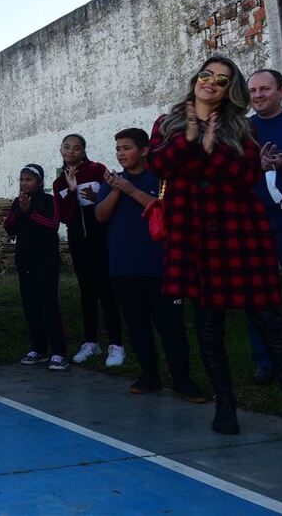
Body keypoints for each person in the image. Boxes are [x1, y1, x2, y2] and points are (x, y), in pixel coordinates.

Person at [148, 55, 282, 434]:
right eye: (206, 75)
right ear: (196, 79)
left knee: (269, 320)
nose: (211, 82)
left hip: (241, 232)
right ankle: (225, 407)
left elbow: (246, 176)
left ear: (229, 90)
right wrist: (191, 140)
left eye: (222, 80)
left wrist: (213, 148)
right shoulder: (169, 123)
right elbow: (159, 167)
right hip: (193, 236)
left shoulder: (241, 125)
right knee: (209, 326)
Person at [95, 128, 205, 402]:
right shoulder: (113, 182)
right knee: (136, 326)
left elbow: (165, 211)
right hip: (124, 267)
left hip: (161, 266)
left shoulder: (159, 178)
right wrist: (118, 190)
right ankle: (149, 375)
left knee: (171, 328)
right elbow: (100, 216)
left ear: (144, 150)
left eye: (127, 148)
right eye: (118, 148)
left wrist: (131, 189)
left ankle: (182, 379)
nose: (121, 153)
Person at [53, 134, 124, 367]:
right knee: (86, 290)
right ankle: (91, 341)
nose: (70, 151)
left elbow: (112, 198)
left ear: (83, 151)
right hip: (78, 240)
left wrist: (97, 197)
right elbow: (64, 215)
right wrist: (72, 191)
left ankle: (116, 344)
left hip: (101, 238)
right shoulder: (59, 182)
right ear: (61, 150)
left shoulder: (96, 170)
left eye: (76, 148)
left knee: (107, 288)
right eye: (67, 147)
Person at [3, 164, 68, 371]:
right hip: (25, 262)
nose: (24, 184)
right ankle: (38, 348)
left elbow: (52, 225)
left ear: (39, 182)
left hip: (46, 262)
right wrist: (21, 211)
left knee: (49, 305)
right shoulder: (17, 203)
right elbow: (9, 227)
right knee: (31, 307)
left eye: (29, 180)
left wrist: (29, 211)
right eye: (22, 180)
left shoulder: (49, 201)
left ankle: (59, 352)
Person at [246, 67, 282, 384]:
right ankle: (264, 359)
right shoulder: (244, 130)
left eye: (265, 89)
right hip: (255, 222)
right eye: (253, 90)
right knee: (257, 293)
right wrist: (257, 167)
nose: (258, 95)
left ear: (281, 91)